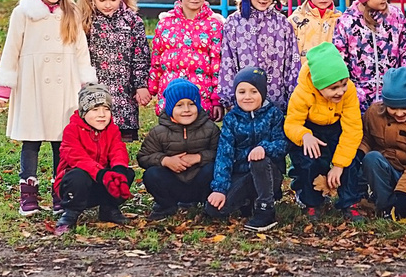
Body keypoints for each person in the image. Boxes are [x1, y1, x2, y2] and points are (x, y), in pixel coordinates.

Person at [0, 0, 95, 219]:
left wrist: (86, 81)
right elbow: (12, 47)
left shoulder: (71, 12)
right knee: (32, 138)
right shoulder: (24, 12)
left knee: (61, 141)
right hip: (32, 82)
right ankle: (28, 192)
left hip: (66, 83)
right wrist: (5, 83)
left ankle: (59, 190)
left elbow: (81, 50)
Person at [284, 42, 364, 216]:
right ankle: (312, 202)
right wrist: (304, 136)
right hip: (311, 130)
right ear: (318, 85)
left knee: (350, 159)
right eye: (333, 88)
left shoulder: (348, 91)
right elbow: (291, 123)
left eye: (343, 84)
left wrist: (339, 165)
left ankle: (349, 202)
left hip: (337, 128)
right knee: (309, 160)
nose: (340, 91)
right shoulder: (302, 93)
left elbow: (353, 128)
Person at [207, 67, 287, 232]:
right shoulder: (231, 118)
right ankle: (247, 201)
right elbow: (224, 154)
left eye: (253, 91)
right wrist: (219, 189)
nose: (247, 97)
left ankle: (265, 209)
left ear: (262, 93)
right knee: (214, 210)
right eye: (242, 92)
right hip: (242, 172)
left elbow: (283, 144)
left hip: (269, 172)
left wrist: (264, 148)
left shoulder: (274, 115)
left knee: (259, 161)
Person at [215, 0, 298, 117]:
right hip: (243, 103)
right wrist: (229, 98)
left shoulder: (282, 24)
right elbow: (227, 61)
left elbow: (292, 63)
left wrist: (293, 96)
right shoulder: (233, 24)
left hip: (276, 102)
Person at [78, 0, 152, 137]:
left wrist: (140, 85)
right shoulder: (85, 21)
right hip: (95, 88)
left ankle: (118, 163)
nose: (108, 4)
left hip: (124, 91)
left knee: (120, 138)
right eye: (101, 0)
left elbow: (140, 57)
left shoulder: (132, 21)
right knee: (94, 134)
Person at [51, 83, 134, 233]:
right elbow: (77, 157)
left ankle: (109, 208)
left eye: (106, 109)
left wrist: (118, 170)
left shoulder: (112, 129)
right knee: (78, 177)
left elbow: (118, 150)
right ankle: (70, 213)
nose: (102, 114)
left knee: (125, 173)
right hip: (76, 184)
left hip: (101, 182)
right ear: (84, 111)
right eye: (95, 109)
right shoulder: (72, 130)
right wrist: (102, 174)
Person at [146, 0, 227, 116]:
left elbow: (218, 64)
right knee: (171, 134)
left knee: (200, 135)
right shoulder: (165, 24)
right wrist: (151, 88)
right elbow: (156, 59)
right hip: (170, 93)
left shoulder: (214, 25)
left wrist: (216, 99)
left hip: (201, 95)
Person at [357, 66, 406, 219]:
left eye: (405, 108)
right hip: (385, 168)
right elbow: (366, 139)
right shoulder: (373, 113)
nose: (399, 114)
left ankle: (395, 197)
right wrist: (359, 155)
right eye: (393, 108)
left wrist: (403, 192)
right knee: (371, 158)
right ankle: (385, 205)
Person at [333, 0, 406, 105]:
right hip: (359, 100)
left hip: (393, 98)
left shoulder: (396, 16)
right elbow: (340, 61)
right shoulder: (346, 22)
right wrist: (351, 92)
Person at [138, 78, 221, 215]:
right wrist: (165, 161)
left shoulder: (210, 128)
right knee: (151, 174)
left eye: (191, 104)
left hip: (199, 181)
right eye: (179, 105)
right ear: (170, 108)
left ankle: (208, 204)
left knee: (212, 169)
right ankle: (166, 205)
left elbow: (221, 153)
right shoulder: (159, 132)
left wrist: (198, 158)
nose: (186, 110)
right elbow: (143, 157)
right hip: (173, 181)